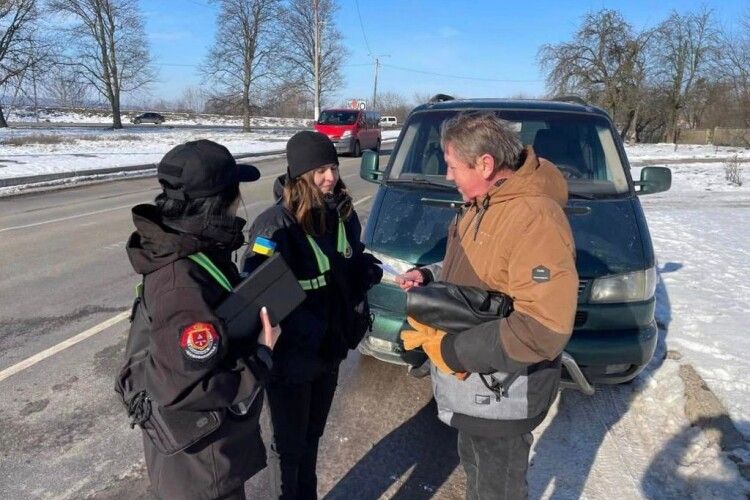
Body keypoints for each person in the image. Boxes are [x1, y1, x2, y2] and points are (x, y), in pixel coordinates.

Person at [396, 112, 579, 500]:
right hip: (476, 390)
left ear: (485, 164)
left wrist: (452, 352)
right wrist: (430, 277)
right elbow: (477, 271)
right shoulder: (483, 204)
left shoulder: (534, 217)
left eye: (451, 167)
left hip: (505, 393)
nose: (448, 177)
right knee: (476, 473)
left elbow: (542, 328)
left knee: (497, 488)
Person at [124, 139, 281, 500]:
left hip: (201, 457)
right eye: (234, 191)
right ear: (217, 202)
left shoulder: (194, 246)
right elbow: (184, 387)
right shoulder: (181, 282)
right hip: (199, 472)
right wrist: (261, 356)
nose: (239, 199)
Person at [243, 131, 382, 499]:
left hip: (330, 350)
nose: (330, 177)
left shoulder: (341, 214)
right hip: (292, 359)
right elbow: (254, 293)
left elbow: (348, 261)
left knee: (313, 437)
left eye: (333, 167)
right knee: (289, 448)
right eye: (320, 169)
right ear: (300, 174)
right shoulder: (274, 226)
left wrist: (365, 270)